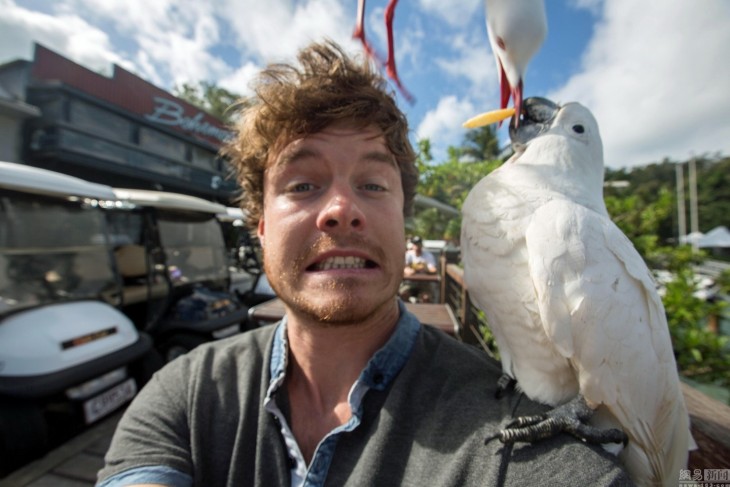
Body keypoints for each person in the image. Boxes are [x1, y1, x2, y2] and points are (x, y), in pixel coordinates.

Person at [97, 40, 632, 486]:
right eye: (303, 185)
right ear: (260, 224)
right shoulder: (186, 395)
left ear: (403, 219)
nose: (341, 212)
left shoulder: (507, 436)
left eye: (373, 184)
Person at [400, 235, 438, 302]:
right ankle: (407, 311)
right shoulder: (408, 254)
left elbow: (434, 270)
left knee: (426, 297)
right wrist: (412, 270)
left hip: (424, 284)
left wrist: (426, 269)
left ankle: (424, 312)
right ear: (413, 245)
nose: (417, 246)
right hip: (410, 283)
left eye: (419, 244)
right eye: (415, 244)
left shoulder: (428, 255)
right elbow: (404, 268)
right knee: (403, 294)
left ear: (421, 245)